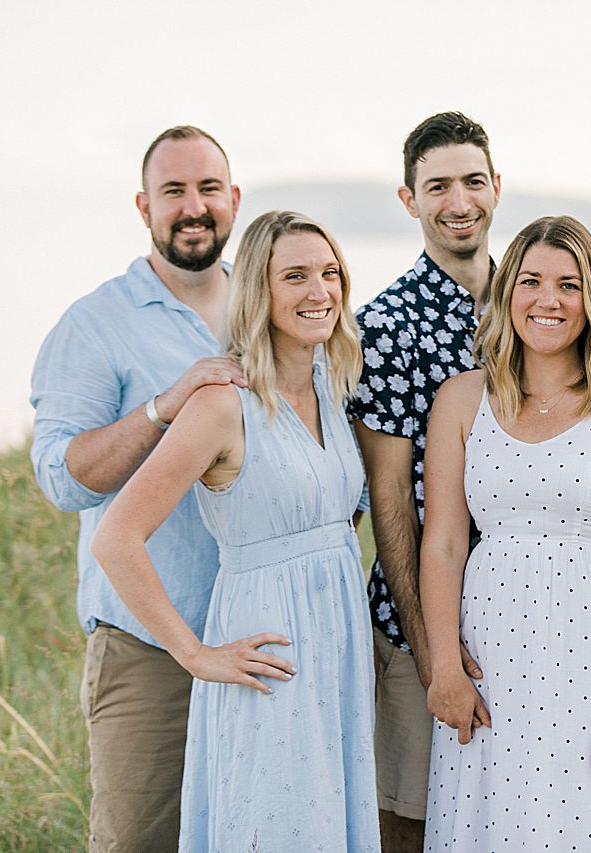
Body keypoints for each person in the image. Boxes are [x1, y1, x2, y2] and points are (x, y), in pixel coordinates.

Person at [91, 210, 380, 851]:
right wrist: (195, 654)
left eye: (330, 274)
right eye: (296, 276)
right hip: (267, 647)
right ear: (259, 290)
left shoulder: (334, 388)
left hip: (336, 642)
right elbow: (116, 537)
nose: (319, 292)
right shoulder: (223, 401)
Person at [419, 216, 591, 852]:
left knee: (586, 819)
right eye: (531, 281)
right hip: (489, 656)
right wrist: (445, 666)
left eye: (569, 285)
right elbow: (444, 543)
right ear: (507, 294)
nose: (548, 300)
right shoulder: (461, 399)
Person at [30, 125, 245, 852]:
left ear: (234, 199)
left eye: (208, 188)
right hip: (150, 650)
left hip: (262, 638)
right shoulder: (95, 325)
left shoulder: (272, 307)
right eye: (174, 191)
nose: (194, 206)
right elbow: (63, 479)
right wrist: (164, 405)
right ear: (143, 205)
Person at [348, 111, 495, 851]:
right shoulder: (384, 325)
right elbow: (388, 500)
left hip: (528, 613)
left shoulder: (540, 302)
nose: (458, 200)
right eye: (437, 186)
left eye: (472, 180)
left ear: (497, 187)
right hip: (418, 627)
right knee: (413, 820)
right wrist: (431, 649)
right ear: (410, 200)